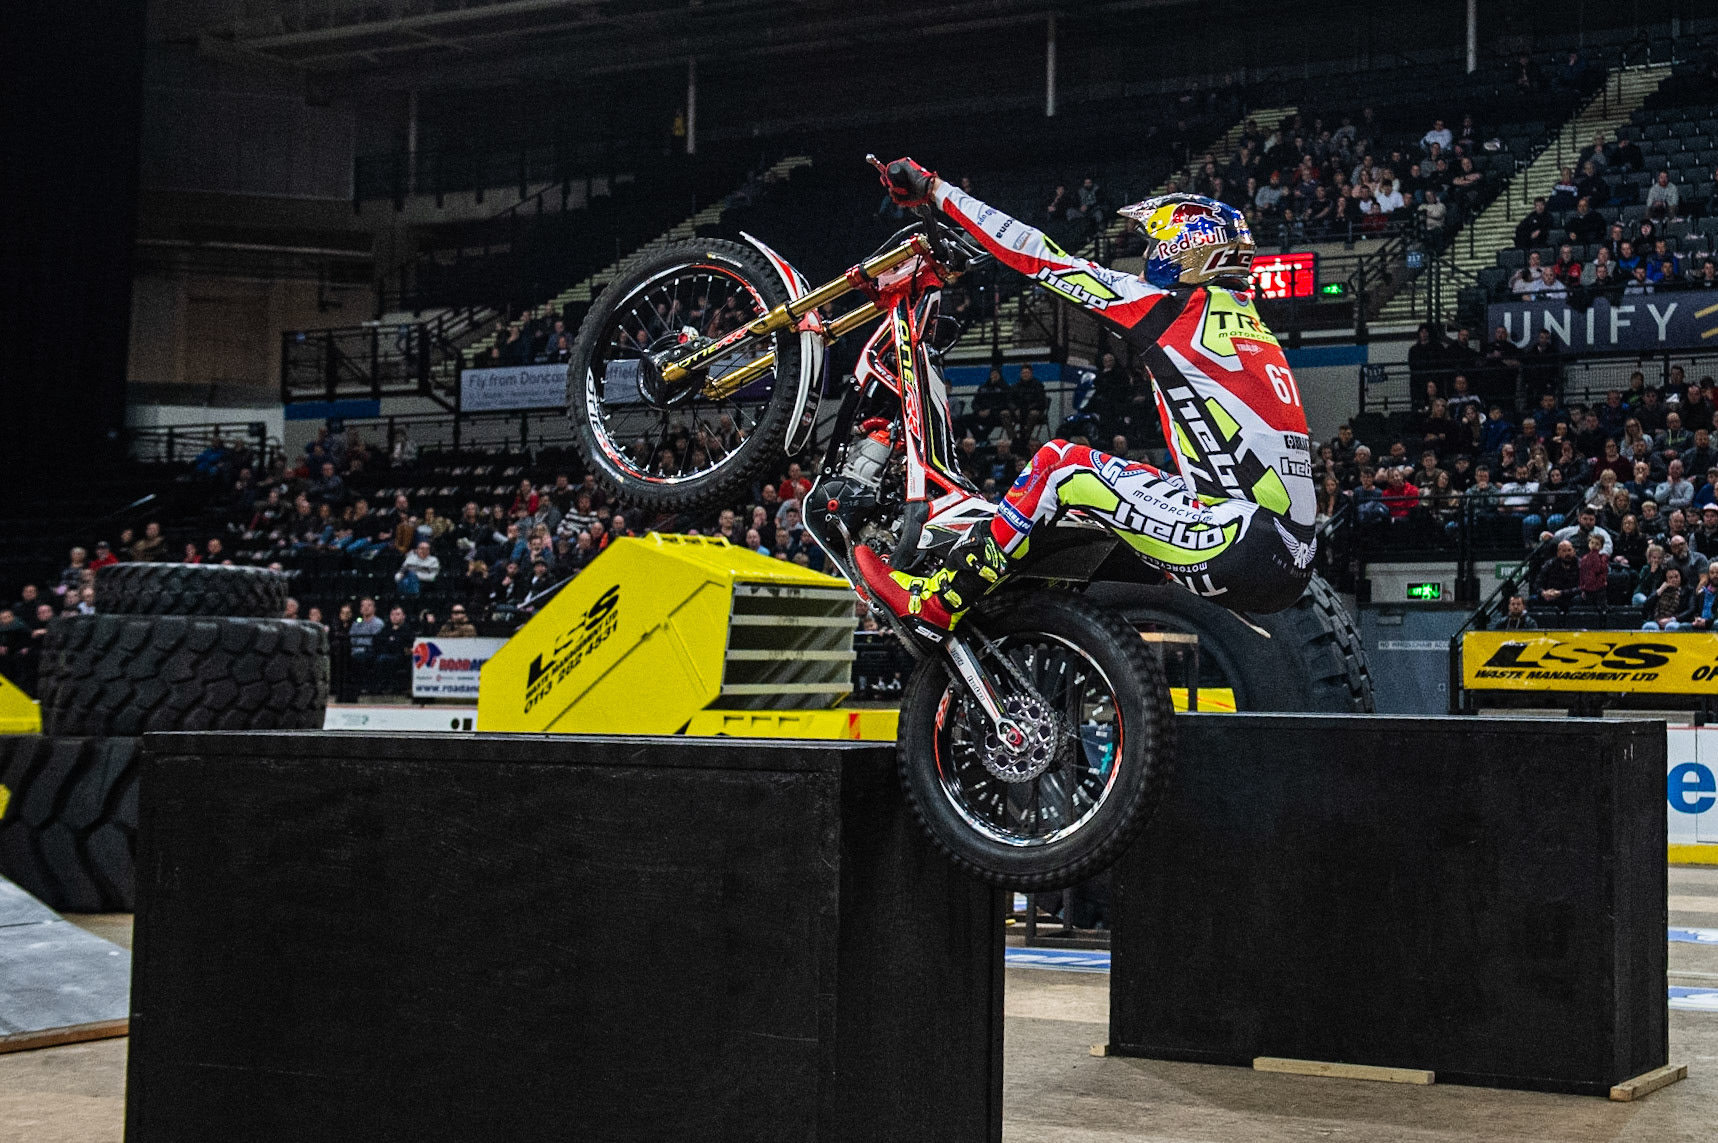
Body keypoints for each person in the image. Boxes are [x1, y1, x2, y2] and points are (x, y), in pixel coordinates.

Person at [858, 160, 1316, 636]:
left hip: (1237, 541)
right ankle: (1040, 615)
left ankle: (934, 603)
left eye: (1155, 243)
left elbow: (1036, 253)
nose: (1148, 257)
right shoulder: (1253, 325)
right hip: (1288, 560)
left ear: (1188, 248)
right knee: (1088, 503)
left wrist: (935, 190)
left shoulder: (1172, 310)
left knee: (1060, 465)